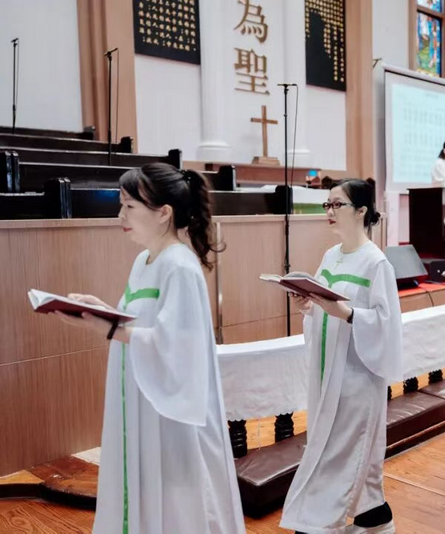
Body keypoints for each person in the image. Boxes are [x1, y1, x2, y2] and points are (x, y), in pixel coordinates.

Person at [52, 164, 244, 533]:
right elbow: (140, 324)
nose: (120, 215)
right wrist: (102, 311)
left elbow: (177, 347)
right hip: (142, 396)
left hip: (172, 410)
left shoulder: (180, 267)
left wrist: (106, 325)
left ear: (163, 214)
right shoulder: (144, 261)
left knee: (177, 497)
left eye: (129, 206)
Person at [281, 179, 402, 534]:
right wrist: (308, 305)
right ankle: (377, 519)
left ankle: (318, 525)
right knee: (340, 454)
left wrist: (346, 313)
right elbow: (324, 308)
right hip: (326, 374)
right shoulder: (330, 257)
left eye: (337, 205)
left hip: (356, 379)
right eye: (327, 205)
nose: (330, 212)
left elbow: (385, 325)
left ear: (361, 211)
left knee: (340, 456)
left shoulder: (376, 263)